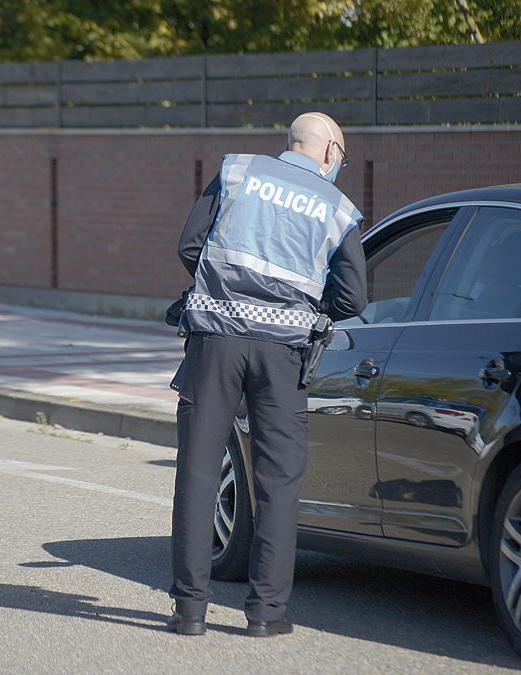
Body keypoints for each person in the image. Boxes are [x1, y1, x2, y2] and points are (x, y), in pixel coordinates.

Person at [168, 112, 367, 637]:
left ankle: (190, 611)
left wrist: (224, 292)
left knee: (198, 472)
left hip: (216, 342)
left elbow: (190, 246)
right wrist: (302, 305)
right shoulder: (337, 208)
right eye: (341, 156)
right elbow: (353, 297)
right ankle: (265, 614)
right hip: (282, 356)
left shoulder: (237, 172)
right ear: (329, 152)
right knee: (278, 482)